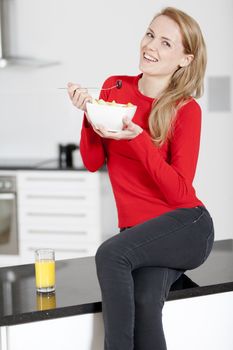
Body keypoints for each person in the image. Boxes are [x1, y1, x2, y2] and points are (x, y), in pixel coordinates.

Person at [67, 6, 215, 350]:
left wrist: (138, 139)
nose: (151, 46)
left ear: (185, 59)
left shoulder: (184, 109)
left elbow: (181, 193)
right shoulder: (114, 86)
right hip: (137, 236)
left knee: (109, 254)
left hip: (186, 227)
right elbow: (92, 162)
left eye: (166, 43)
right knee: (146, 302)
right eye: (150, 34)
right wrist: (89, 116)